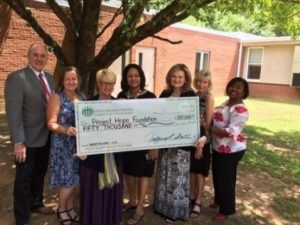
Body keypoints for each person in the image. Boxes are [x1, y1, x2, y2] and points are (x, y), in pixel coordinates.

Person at [4, 43, 56, 225]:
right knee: (23, 179)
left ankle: (36, 202)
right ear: (28, 56)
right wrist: (18, 141)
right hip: (27, 140)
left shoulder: (50, 79)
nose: (39, 59)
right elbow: (13, 112)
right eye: (36, 55)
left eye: (43, 56)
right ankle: (22, 217)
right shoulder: (17, 78)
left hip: (47, 137)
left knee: (40, 173)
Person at [154, 64, 204, 223]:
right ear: (170, 77)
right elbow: (156, 114)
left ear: (185, 79)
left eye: (180, 77)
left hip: (182, 144)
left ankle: (175, 211)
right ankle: (162, 207)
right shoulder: (165, 93)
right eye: (174, 76)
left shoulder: (190, 95)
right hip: (165, 143)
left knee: (177, 179)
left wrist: (201, 138)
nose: (177, 79)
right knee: (164, 175)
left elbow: (194, 120)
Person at [80, 69, 123, 225]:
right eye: (104, 83)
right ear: (98, 84)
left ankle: (110, 219)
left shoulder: (120, 105)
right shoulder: (87, 105)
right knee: (94, 190)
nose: (107, 86)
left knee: (112, 189)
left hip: (113, 155)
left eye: (111, 83)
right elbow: (80, 130)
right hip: (92, 158)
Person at [117, 64, 158, 225]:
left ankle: (140, 207)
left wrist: (154, 145)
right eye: (129, 76)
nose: (133, 79)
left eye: (136, 75)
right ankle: (133, 200)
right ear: (126, 79)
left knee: (143, 174)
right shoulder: (121, 96)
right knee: (129, 172)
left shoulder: (150, 97)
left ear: (141, 78)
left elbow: (156, 122)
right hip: (127, 144)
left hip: (145, 143)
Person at [47, 66, 85, 225]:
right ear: (62, 81)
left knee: (76, 178)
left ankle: (69, 207)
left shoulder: (82, 96)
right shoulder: (57, 97)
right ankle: (61, 209)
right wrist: (65, 130)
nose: (71, 81)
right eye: (68, 79)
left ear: (78, 80)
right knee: (68, 179)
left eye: (74, 78)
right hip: (62, 145)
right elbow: (50, 124)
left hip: (79, 145)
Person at [210, 77, 249, 221]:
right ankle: (218, 201)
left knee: (226, 180)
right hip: (218, 148)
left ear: (244, 92)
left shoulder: (240, 109)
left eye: (239, 88)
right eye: (232, 86)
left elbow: (231, 131)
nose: (234, 89)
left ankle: (226, 210)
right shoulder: (227, 103)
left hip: (231, 150)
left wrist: (209, 128)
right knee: (217, 176)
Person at [189, 70, 214, 218]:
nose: (201, 84)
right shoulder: (192, 95)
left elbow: (207, 124)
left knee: (200, 172)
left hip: (202, 138)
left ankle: (198, 201)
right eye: (198, 81)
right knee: (192, 170)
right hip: (190, 137)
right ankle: (192, 196)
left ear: (209, 83)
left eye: (204, 82)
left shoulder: (208, 97)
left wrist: (201, 145)